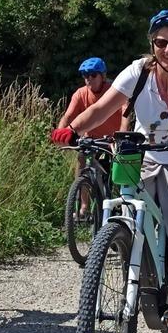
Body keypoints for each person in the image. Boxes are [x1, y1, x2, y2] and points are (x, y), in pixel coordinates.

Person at [51, 10, 168, 329]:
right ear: (152, 44)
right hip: (145, 156)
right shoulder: (139, 72)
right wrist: (72, 130)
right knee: (129, 210)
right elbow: (100, 108)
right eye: (161, 42)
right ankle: (135, 259)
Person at [57, 57, 128, 218]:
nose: (89, 79)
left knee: (119, 167)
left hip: (112, 139)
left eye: (93, 75)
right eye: (85, 75)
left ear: (103, 76)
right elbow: (68, 116)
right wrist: (59, 134)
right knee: (82, 160)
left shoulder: (113, 91)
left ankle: (122, 202)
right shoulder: (80, 94)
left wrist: (122, 134)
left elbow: (125, 112)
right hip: (92, 139)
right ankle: (84, 206)